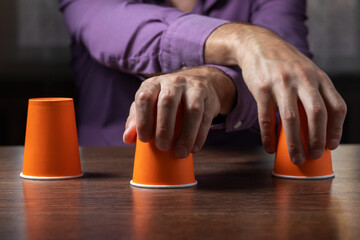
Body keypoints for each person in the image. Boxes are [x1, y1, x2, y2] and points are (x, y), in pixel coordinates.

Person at [59, 0, 346, 165]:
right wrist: (245, 40)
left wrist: (215, 84)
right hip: (106, 185)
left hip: (247, 188)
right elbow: (118, 32)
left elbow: (286, 72)